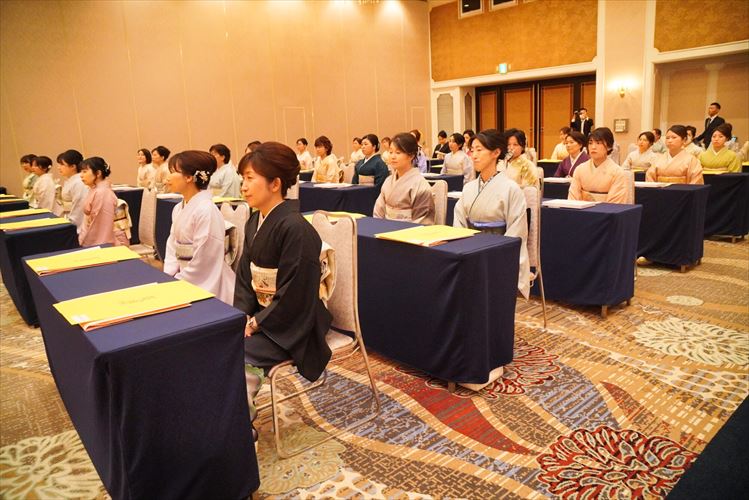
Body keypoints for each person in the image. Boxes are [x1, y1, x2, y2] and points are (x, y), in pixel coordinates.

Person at [234, 141, 332, 441]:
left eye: (250, 178)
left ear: (275, 184)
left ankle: (239, 427)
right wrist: (242, 316)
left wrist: (257, 323)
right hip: (264, 317)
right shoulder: (254, 221)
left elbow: (295, 293)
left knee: (236, 355)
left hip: (294, 323)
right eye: (242, 179)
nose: (243, 186)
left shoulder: (296, 229)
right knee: (219, 343)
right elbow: (244, 276)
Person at [453, 129, 530, 298]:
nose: (474, 155)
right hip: (470, 252)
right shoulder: (469, 188)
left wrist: (493, 254)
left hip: (498, 255)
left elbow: (516, 232)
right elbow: (459, 221)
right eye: (472, 150)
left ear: (496, 153)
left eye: (479, 150)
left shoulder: (511, 189)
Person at [163, 150, 235, 304]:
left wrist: (180, 282)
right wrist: (169, 275)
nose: (168, 177)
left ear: (189, 177)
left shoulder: (206, 210)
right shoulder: (178, 208)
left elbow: (204, 260)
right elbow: (172, 246)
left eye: (173, 172)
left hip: (205, 281)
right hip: (181, 276)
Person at [374, 132, 435, 224]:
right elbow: (378, 212)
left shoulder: (420, 185)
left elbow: (423, 222)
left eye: (398, 153)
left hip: (409, 231)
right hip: (385, 229)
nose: (393, 157)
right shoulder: (388, 181)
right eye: (391, 152)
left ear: (411, 155)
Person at [568, 127, 629, 203]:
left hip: (607, 210)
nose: (593, 147)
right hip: (582, 210)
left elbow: (615, 205)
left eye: (598, 143)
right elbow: (572, 199)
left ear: (609, 146)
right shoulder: (580, 169)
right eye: (590, 143)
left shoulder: (617, 172)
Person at [78, 157, 129, 247]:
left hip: (109, 240)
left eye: (85, 172)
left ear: (98, 173)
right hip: (98, 232)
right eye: (81, 172)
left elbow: (103, 226)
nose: (81, 175)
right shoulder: (96, 189)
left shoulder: (103, 193)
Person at [55, 149, 88, 232]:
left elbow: (79, 207)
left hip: (78, 221)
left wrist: (71, 224)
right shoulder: (72, 180)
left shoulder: (79, 182)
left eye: (62, 164)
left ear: (73, 166)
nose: (59, 167)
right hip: (67, 215)